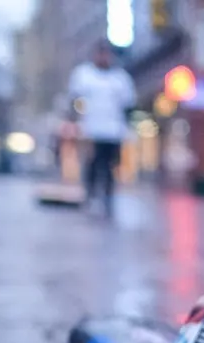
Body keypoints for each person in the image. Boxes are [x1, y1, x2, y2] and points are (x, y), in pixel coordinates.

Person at [67, 42, 135, 215]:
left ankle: (108, 197)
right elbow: (74, 101)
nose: (104, 58)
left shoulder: (121, 78)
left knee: (111, 166)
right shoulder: (83, 75)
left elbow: (128, 105)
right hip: (90, 130)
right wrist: (75, 122)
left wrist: (128, 128)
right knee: (91, 164)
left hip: (113, 131)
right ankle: (90, 195)